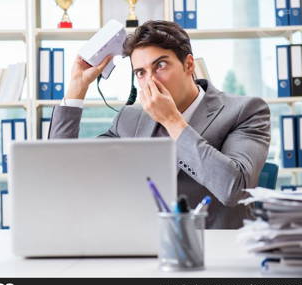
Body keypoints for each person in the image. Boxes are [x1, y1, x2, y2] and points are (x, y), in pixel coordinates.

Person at [48, 20, 271, 229]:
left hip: (216, 249)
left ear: (189, 64)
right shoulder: (130, 119)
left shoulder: (245, 111)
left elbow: (234, 189)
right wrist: (76, 90)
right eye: (141, 73)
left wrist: (172, 121)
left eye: (161, 65)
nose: (151, 81)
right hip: (142, 247)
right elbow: (65, 170)